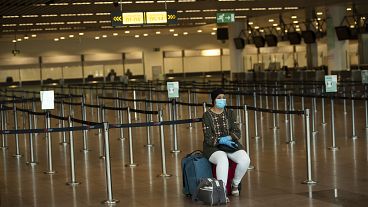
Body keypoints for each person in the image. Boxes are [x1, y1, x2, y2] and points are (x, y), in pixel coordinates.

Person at [202, 88, 250, 198]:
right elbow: (208, 138)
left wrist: (228, 138)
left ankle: (235, 184)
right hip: (213, 147)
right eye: (219, 98)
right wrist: (220, 140)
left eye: (223, 98)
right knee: (222, 159)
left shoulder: (229, 113)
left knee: (245, 159)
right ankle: (221, 191)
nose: (222, 100)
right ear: (213, 100)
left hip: (229, 144)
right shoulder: (207, 115)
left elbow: (237, 132)